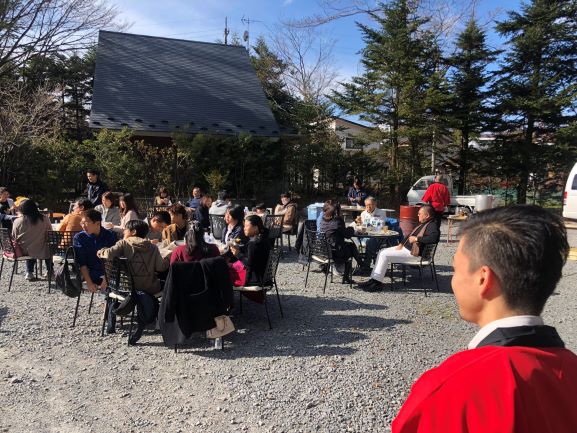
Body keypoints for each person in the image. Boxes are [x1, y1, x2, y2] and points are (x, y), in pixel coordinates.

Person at [392, 205, 577, 433]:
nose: (454, 280)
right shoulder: (569, 370)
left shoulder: (449, 388)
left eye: (455, 270)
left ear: (483, 279)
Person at [97, 219, 169, 338]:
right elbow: (161, 268)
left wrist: (101, 251)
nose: (124, 232)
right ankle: (157, 320)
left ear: (133, 231)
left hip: (125, 288)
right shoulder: (152, 247)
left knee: (112, 287)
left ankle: (111, 325)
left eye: (125, 229)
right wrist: (167, 259)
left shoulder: (124, 243)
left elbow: (109, 254)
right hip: (149, 288)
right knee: (164, 283)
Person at [358, 205, 439, 292]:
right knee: (382, 251)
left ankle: (376, 283)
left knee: (384, 255)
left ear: (427, 215)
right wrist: (401, 244)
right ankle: (373, 280)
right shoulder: (425, 223)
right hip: (406, 249)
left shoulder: (432, 225)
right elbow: (409, 235)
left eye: (419, 214)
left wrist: (417, 239)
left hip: (414, 254)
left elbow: (434, 238)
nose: (418, 215)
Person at [73, 209, 117, 294]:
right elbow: (82, 263)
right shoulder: (79, 237)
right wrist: (89, 283)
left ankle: (109, 306)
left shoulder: (109, 235)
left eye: (86, 223)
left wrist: (106, 279)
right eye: (82, 223)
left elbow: (111, 259)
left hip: (107, 272)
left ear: (97, 223)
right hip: (90, 273)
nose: (83, 225)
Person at [319, 202, 362, 284]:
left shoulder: (323, 219)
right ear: (337, 211)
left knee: (350, 246)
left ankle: (361, 264)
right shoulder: (337, 220)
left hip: (324, 250)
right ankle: (360, 266)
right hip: (335, 252)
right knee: (352, 247)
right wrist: (352, 227)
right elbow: (347, 235)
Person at [11, 199, 52, 281]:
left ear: (22, 209)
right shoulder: (45, 218)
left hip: (23, 250)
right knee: (48, 247)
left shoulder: (18, 221)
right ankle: (50, 271)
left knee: (30, 244)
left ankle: (29, 272)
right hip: (41, 249)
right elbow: (50, 233)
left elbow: (13, 237)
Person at [230, 215, 272, 287]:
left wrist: (237, 254)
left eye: (246, 226)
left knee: (224, 271)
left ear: (255, 227)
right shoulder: (264, 237)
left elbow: (249, 264)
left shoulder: (254, 243)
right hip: (265, 278)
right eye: (244, 226)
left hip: (254, 279)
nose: (244, 228)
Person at [358, 196, 387, 269]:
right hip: (366, 235)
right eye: (367, 205)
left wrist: (369, 222)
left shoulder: (381, 212)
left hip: (378, 236)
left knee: (370, 241)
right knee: (366, 240)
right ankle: (373, 260)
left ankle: (367, 263)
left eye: (370, 205)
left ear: (375, 204)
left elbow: (381, 225)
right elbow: (364, 228)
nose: (368, 207)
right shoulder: (363, 214)